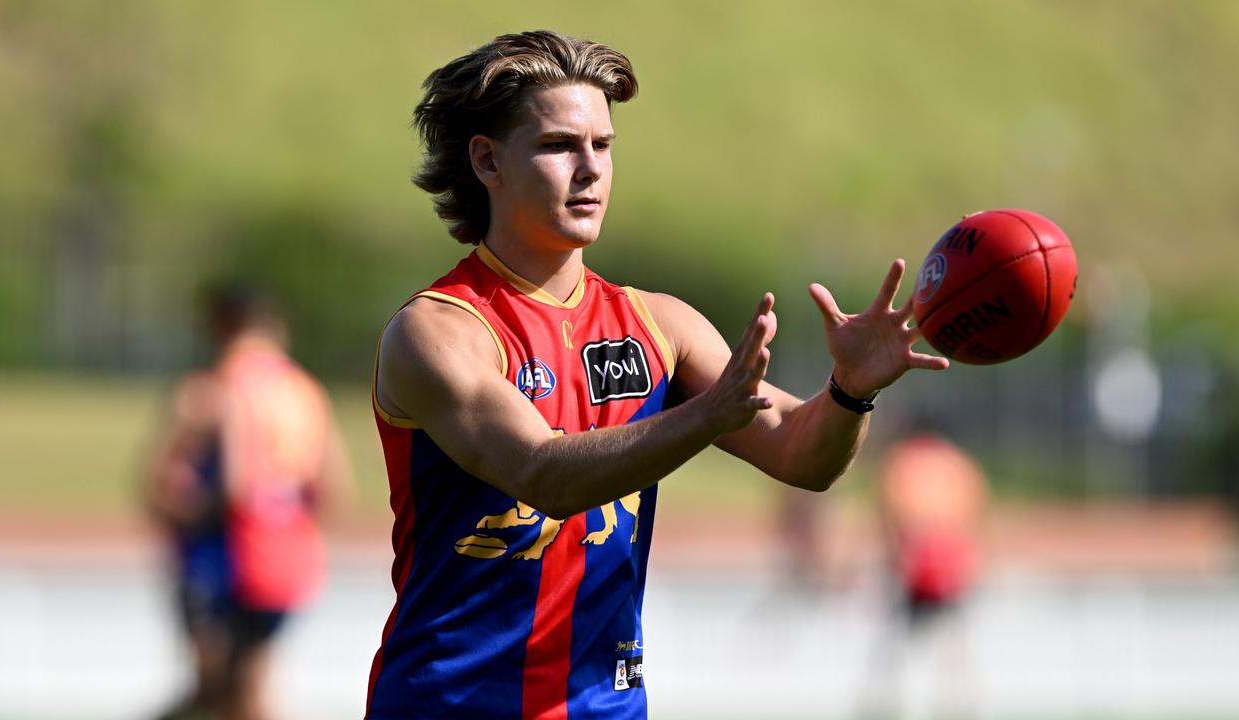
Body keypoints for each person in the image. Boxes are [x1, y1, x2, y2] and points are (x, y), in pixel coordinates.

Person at [366, 30, 948, 719]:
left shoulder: (659, 325)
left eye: (603, 146)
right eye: (559, 146)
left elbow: (803, 452)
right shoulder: (438, 329)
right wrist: (703, 416)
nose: (590, 170)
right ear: (487, 161)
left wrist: (853, 390)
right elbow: (542, 474)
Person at [146, 284, 351, 720]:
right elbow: (334, 490)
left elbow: (209, 483)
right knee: (246, 686)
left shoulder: (214, 388)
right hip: (289, 559)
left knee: (224, 690)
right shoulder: (304, 390)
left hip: (228, 557)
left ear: (221, 325)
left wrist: (181, 516)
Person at [856, 418, 988, 720]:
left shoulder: (900, 461)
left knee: (896, 639)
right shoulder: (958, 462)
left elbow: (888, 515)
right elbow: (972, 516)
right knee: (951, 639)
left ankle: (882, 706)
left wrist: (893, 557)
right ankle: (960, 706)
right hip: (949, 562)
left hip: (914, 561)